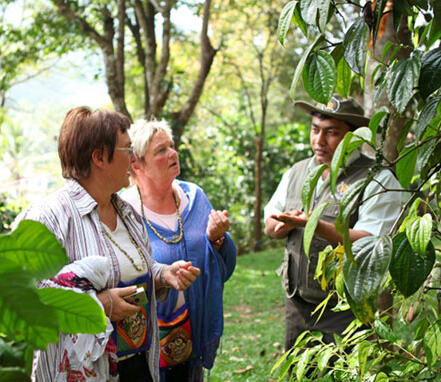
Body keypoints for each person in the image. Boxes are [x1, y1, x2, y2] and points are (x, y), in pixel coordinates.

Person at [14, 107, 200, 382]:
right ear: (100, 157)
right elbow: (22, 299)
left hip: (139, 365)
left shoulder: (126, 213)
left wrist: (162, 274)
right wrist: (99, 304)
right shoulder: (48, 217)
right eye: (127, 150)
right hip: (82, 372)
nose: (132, 159)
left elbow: (138, 266)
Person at [264, 94, 402, 352]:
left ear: (353, 137)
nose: (319, 140)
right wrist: (281, 227)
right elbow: (269, 223)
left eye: (331, 132)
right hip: (298, 306)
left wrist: (315, 225)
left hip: (346, 310)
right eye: (315, 129)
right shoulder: (297, 172)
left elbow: (373, 241)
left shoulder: (377, 178)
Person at [121, 119, 236, 381]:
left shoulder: (194, 197)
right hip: (147, 342)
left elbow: (223, 269)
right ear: (136, 165)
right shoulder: (125, 212)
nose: (173, 153)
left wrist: (217, 240)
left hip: (193, 331)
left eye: (171, 146)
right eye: (160, 151)